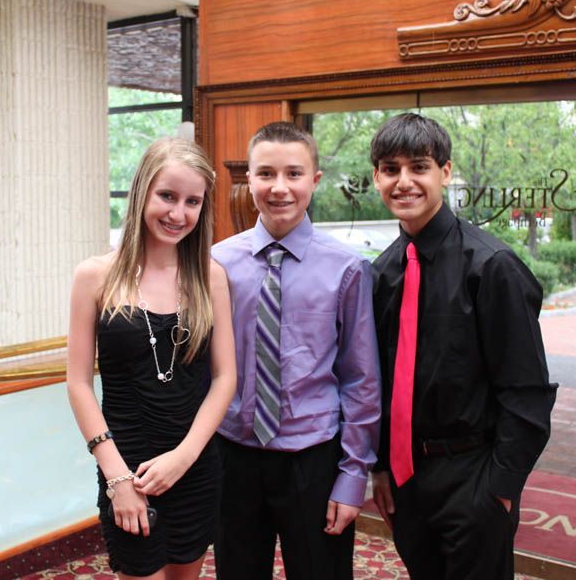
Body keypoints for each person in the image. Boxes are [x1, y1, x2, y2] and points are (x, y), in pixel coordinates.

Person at [369, 112, 557, 579]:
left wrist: (500, 487)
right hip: (406, 478)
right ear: (376, 177)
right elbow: (377, 381)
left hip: (474, 476)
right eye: (391, 169)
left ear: (445, 173)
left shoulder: (493, 267)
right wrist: (380, 469)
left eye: (419, 167)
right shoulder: (383, 271)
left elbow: (527, 392)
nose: (404, 181)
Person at [212, 121, 380, 580]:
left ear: (315, 180)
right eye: (265, 174)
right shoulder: (217, 263)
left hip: (314, 458)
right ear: (248, 180)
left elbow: (361, 379)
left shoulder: (347, 268)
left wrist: (352, 477)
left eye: (293, 174)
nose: (279, 187)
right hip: (234, 454)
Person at [66, 137, 236, 579]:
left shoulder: (210, 277)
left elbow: (225, 378)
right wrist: (117, 478)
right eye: (167, 196)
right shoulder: (95, 276)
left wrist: (184, 457)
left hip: (194, 468)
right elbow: (79, 383)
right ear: (142, 191)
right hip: (127, 471)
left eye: (192, 201)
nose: (178, 213)